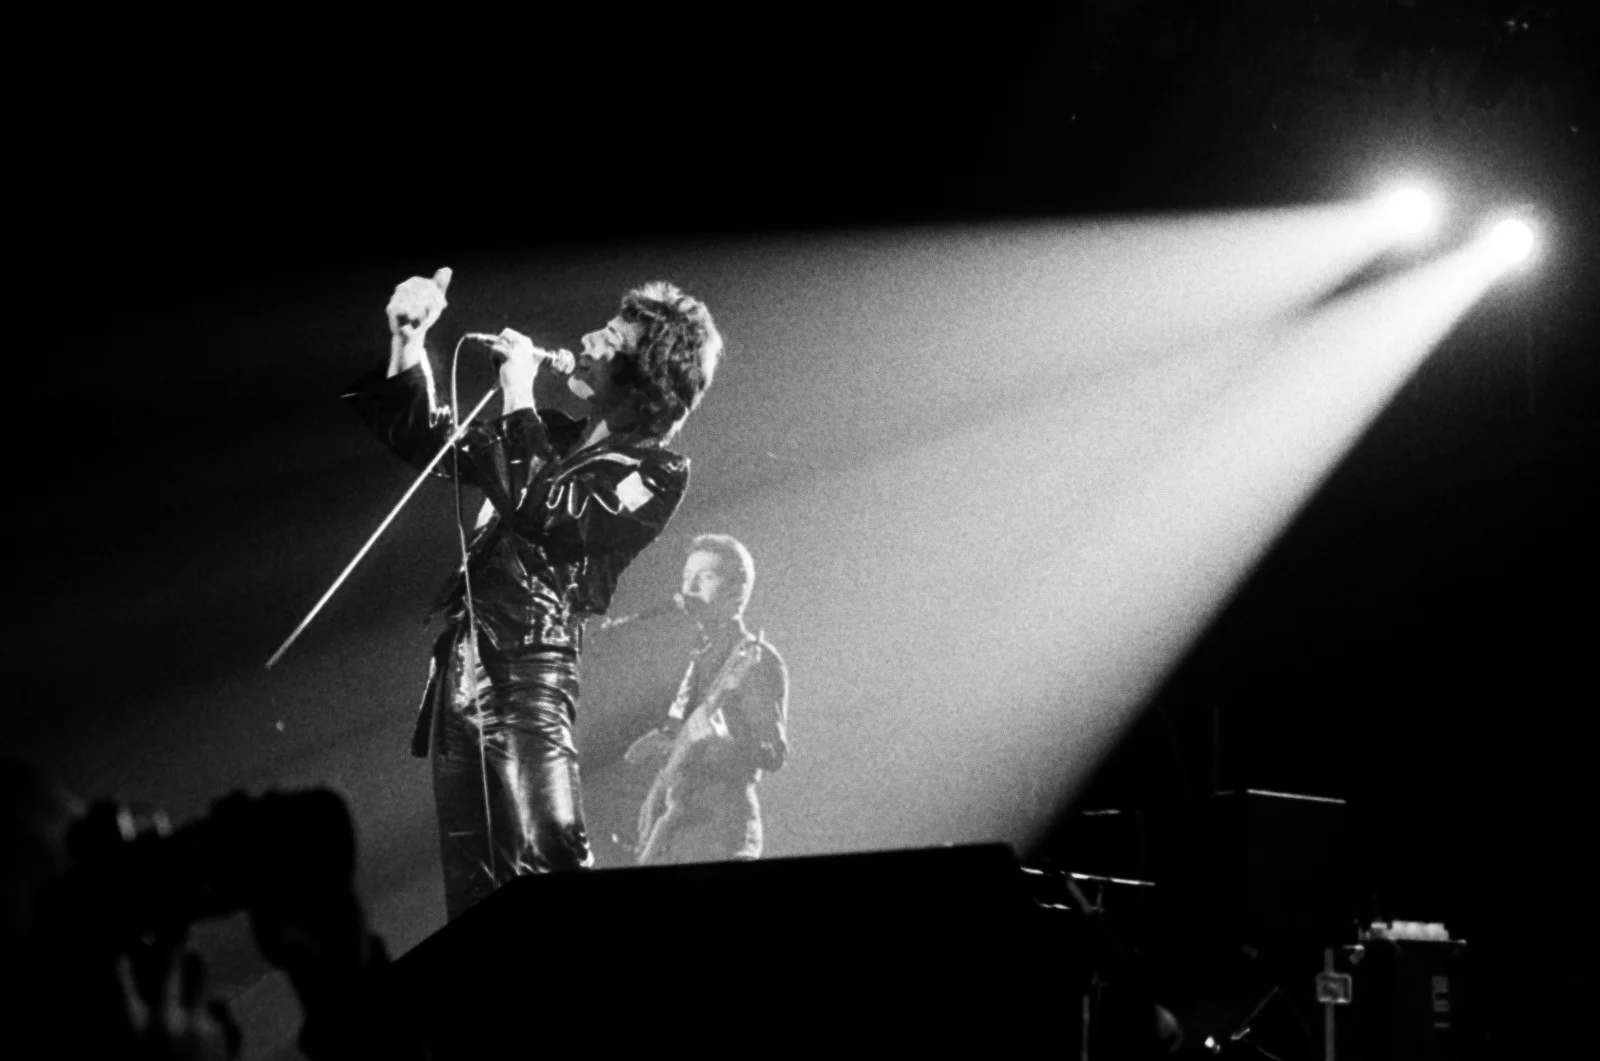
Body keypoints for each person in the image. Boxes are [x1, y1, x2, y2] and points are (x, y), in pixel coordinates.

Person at [343, 268, 722, 918]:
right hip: (461, 669)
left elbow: (550, 511)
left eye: (610, 338)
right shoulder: (552, 434)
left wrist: (517, 390)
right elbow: (433, 444)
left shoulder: (656, 470)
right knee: (474, 880)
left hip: (528, 674)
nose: (587, 339)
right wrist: (409, 342)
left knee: (551, 856)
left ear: (648, 379)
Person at [626, 534, 788, 864]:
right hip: (676, 822)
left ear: (737, 589)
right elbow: (680, 735)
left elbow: (773, 754)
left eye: (706, 576)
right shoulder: (699, 654)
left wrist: (726, 738)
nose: (690, 588)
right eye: (687, 576)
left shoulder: (756, 659)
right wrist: (661, 744)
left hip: (718, 830)